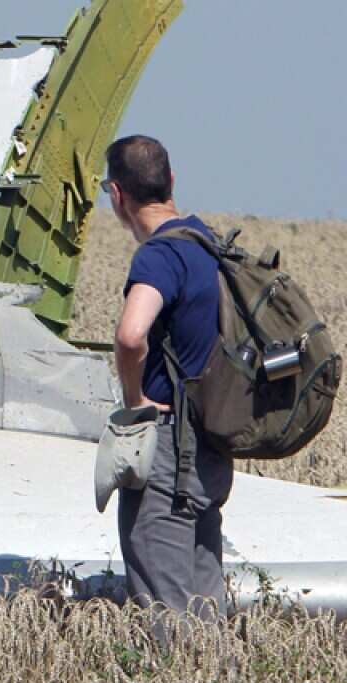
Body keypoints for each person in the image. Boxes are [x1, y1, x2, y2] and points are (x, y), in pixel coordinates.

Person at [103, 135, 234, 619]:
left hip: (168, 457)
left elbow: (131, 334)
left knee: (169, 614)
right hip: (212, 450)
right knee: (205, 607)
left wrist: (135, 398)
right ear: (171, 180)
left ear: (117, 194)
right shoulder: (207, 242)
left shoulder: (158, 256)